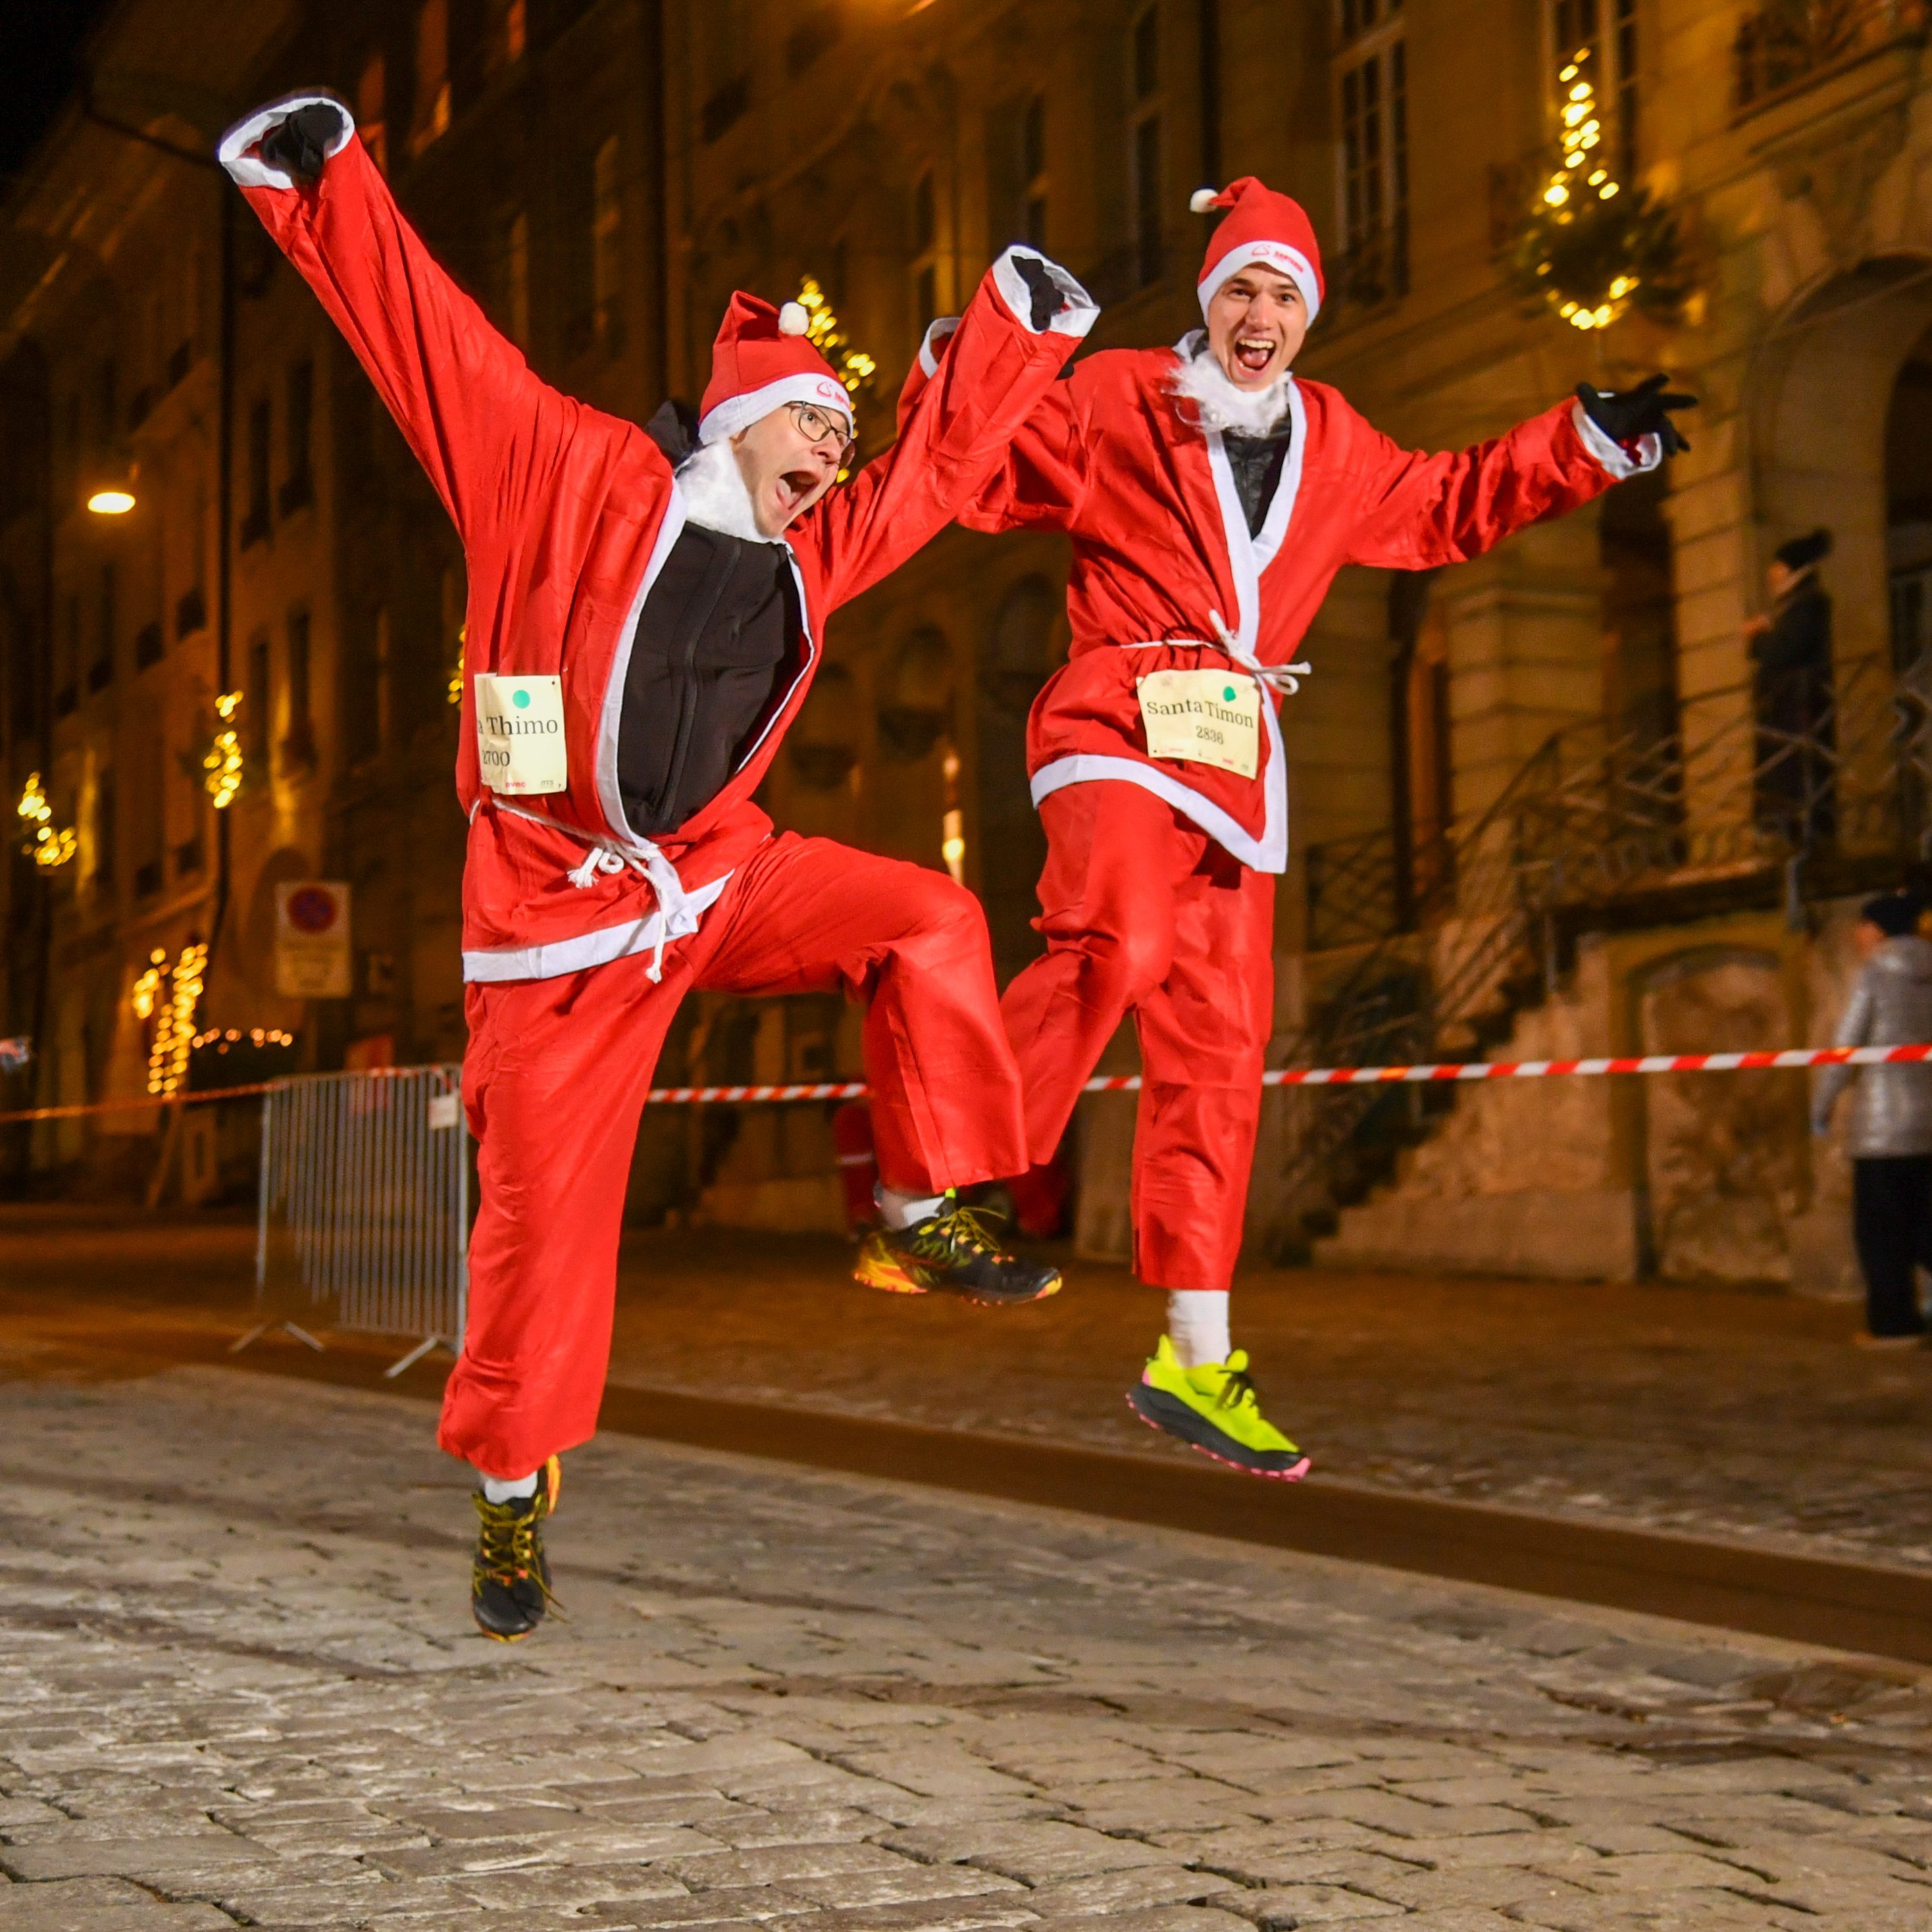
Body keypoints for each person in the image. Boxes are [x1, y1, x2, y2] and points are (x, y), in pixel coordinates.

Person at [219, 92, 1099, 1640]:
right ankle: (508, 1499)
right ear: (739, 420)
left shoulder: (817, 546)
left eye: (843, 427)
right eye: (815, 419)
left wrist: (1021, 327)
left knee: (928, 915)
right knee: (540, 1233)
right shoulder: (567, 475)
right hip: (556, 927)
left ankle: (922, 1198)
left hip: (713, 879)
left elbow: (943, 467)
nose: (837, 447)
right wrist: (324, 179)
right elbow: (434, 346)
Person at [899, 177, 1695, 1479]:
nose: (1257, 315)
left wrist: (1584, 439)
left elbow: (1447, 502)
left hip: (1232, 759)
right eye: (1238, 291)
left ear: (1304, 319)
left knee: (1220, 1047)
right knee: (1119, 935)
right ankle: (937, 1183)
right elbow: (975, 466)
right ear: (1205, 303)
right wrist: (986, 338)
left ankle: (1194, 1357)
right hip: (1111, 713)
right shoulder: (1115, 398)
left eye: (1280, 296)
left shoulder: (1335, 440)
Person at [1813, 890, 1932, 1347]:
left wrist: (1821, 1104)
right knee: (1926, 1225)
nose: (1857, 934)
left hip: (1883, 1127)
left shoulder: (1875, 970)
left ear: (1878, 929)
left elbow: (1846, 1047)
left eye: (1862, 926)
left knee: (1881, 1232)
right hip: (1929, 1126)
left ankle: (1894, 1325)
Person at [1745, 528, 1835, 844]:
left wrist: (1758, 637)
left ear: (1789, 569)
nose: (1770, 574)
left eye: (1776, 566)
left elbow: (1783, 653)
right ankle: (1788, 828)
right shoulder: (1799, 604)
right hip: (1790, 706)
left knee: (1795, 773)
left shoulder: (1808, 603)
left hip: (1798, 708)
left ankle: (1802, 832)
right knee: (1784, 772)